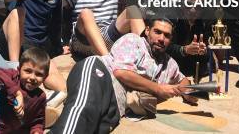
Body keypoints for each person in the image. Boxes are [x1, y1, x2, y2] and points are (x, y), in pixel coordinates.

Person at [51, 18, 197, 133]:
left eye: (167, 35)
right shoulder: (134, 41)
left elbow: (183, 80)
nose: (161, 38)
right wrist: (159, 89)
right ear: (147, 31)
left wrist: (186, 91)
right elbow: (121, 73)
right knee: (83, 111)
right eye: (157, 32)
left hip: (117, 103)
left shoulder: (169, 64)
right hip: (99, 74)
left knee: (94, 127)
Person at [0, 0, 68, 94]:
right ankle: (15, 73)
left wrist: (59, 46)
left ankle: (64, 95)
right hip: (22, 41)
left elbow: (57, 23)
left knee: (50, 70)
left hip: (41, 43)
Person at [0, 47, 50, 134]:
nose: (32, 78)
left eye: (39, 74)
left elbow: (38, 121)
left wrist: (37, 131)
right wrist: (17, 93)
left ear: (45, 77)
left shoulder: (40, 96)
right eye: (28, 71)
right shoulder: (13, 77)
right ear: (19, 70)